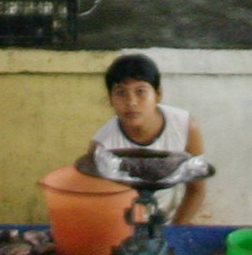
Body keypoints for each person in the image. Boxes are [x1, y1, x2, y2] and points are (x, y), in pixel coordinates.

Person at [81, 52, 209, 224]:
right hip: (121, 225)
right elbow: (98, 202)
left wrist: (176, 228)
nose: (131, 102)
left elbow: (196, 189)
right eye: (120, 93)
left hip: (172, 221)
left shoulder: (185, 126)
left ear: (158, 95)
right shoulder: (102, 146)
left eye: (140, 91)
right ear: (110, 99)